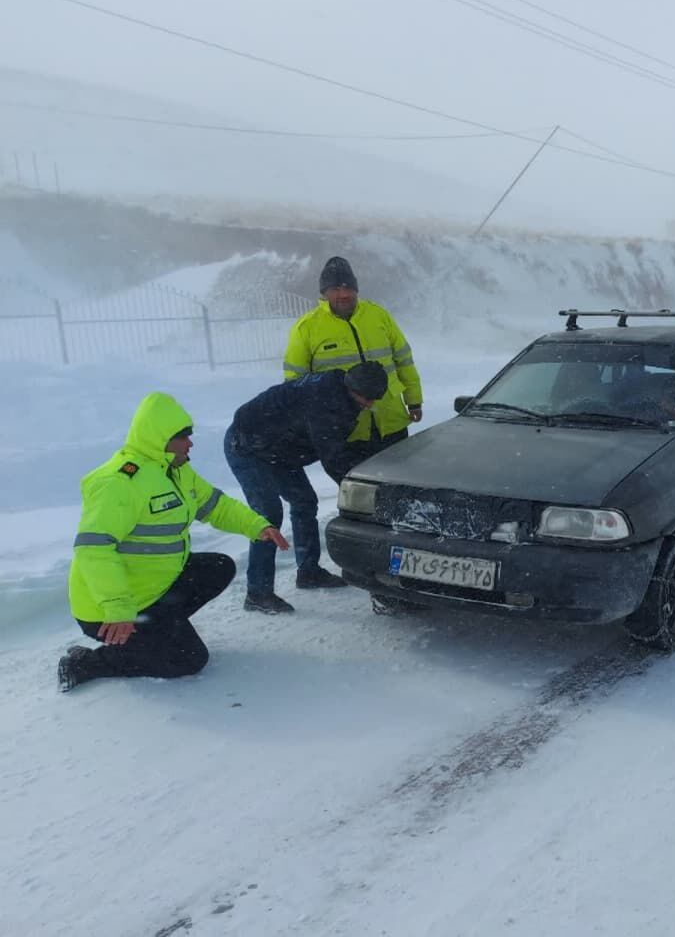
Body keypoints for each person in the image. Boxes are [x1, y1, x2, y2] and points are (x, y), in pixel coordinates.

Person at [59, 393, 288, 693]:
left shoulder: (177, 471)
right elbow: (93, 549)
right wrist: (117, 608)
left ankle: (156, 630)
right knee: (189, 660)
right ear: (160, 439)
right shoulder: (120, 482)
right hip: (107, 609)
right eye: (182, 437)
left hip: (150, 592)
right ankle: (84, 663)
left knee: (219, 567)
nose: (189, 443)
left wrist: (257, 526)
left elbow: (216, 505)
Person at [223, 361, 390, 614]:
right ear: (353, 388)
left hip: (279, 450)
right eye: (367, 398)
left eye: (374, 399)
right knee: (267, 515)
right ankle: (257, 593)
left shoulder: (341, 394)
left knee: (304, 501)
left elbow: (338, 448)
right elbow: (334, 460)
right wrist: (364, 499)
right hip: (247, 446)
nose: (370, 404)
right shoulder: (324, 404)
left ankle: (309, 572)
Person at [283, 256, 424, 464]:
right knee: (357, 483)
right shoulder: (306, 328)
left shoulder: (379, 315)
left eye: (348, 288)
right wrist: (309, 425)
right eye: (335, 289)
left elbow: (404, 361)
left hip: (391, 421)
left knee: (400, 478)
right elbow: (296, 384)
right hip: (345, 429)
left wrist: (414, 401)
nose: (344, 294)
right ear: (324, 293)